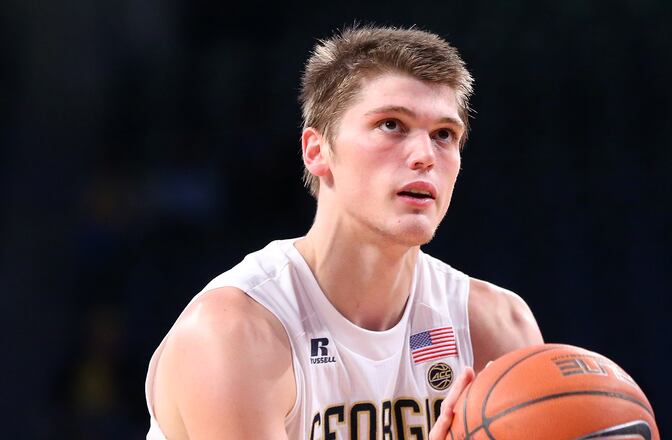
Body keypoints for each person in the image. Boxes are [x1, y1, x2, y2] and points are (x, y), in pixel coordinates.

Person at [144, 25, 544, 439]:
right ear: (317, 151)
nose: (426, 156)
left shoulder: (495, 327)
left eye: (444, 134)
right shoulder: (233, 333)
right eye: (392, 125)